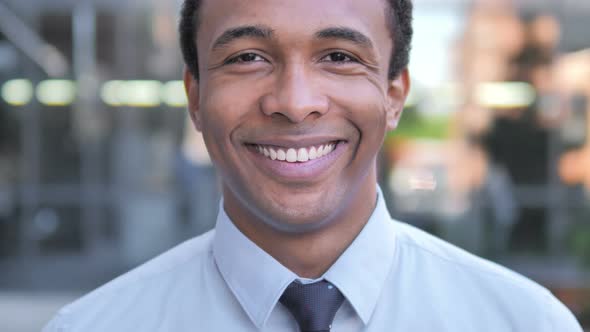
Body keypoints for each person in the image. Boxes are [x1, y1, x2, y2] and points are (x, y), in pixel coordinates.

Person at [43, 0, 583, 331]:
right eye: (247, 57)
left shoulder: (523, 324)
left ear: (394, 94)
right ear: (195, 96)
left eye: (340, 57)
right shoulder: (92, 327)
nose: (295, 102)